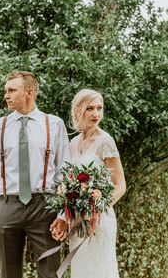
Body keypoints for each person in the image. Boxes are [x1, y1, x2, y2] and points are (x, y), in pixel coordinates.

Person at [0, 71, 70, 278]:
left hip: (45, 205)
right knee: (8, 274)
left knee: (50, 273)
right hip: (7, 205)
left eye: (12, 90)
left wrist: (64, 213)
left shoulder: (54, 124)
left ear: (29, 92)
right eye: (6, 91)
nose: (6, 95)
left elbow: (66, 171)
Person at [51, 88, 126, 278]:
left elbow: (120, 185)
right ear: (78, 110)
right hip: (77, 223)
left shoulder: (105, 141)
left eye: (99, 108)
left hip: (99, 221)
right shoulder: (73, 143)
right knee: (81, 270)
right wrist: (64, 215)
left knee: (100, 270)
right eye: (90, 108)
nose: (96, 114)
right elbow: (68, 185)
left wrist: (95, 209)